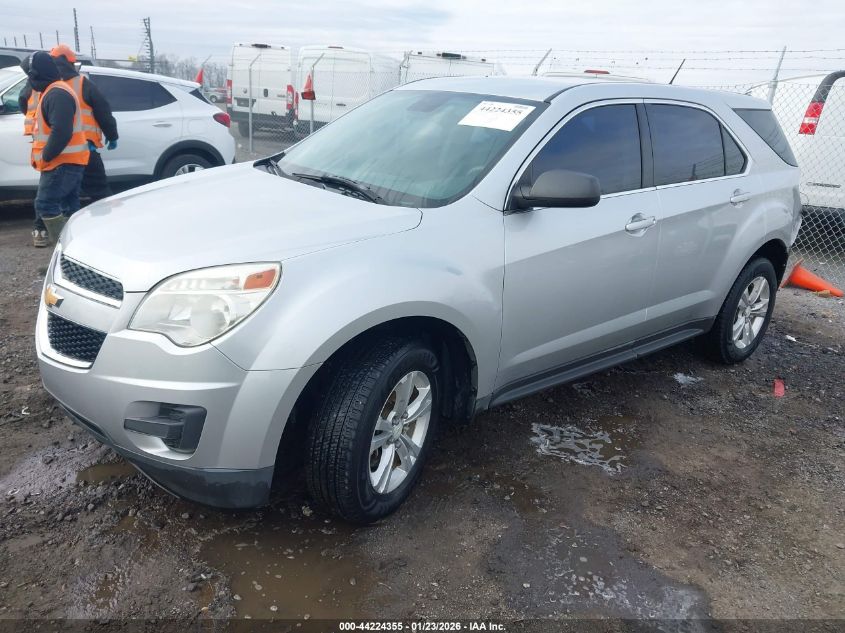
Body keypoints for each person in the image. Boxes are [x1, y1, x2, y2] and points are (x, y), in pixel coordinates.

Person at [26, 51, 89, 246]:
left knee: (45, 204)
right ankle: (75, 247)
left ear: (36, 74)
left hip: (60, 162)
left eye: (29, 75)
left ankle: (64, 248)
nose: (29, 80)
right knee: (68, 205)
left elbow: (61, 132)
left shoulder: (56, 94)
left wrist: (45, 156)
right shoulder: (55, 90)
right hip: (68, 161)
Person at [50, 44, 119, 203]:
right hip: (84, 148)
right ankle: (106, 222)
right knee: (100, 192)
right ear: (71, 62)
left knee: (64, 195)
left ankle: (66, 225)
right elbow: (103, 112)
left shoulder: (46, 85)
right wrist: (112, 135)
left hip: (57, 150)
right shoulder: (83, 84)